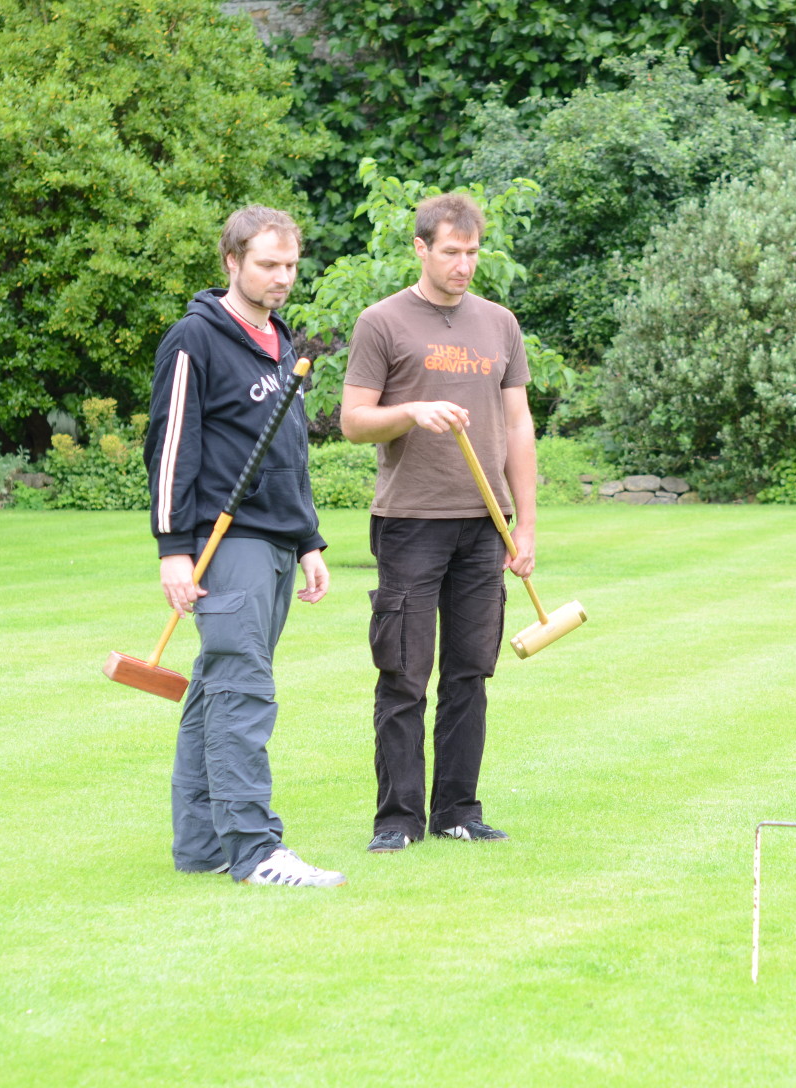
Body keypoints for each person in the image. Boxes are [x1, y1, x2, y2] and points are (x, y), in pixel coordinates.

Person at [142, 204, 344, 888]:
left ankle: (201, 843)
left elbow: (286, 448)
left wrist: (309, 537)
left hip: (276, 539)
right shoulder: (194, 338)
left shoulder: (282, 339)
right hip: (225, 541)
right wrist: (173, 547)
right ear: (231, 262)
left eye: (289, 265)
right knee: (242, 686)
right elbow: (171, 446)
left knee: (214, 686)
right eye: (267, 265)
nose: (281, 277)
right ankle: (256, 852)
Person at [340, 192, 538, 854]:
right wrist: (411, 411)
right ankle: (397, 818)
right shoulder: (382, 322)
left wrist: (525, 525)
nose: (463, 265)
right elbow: (352, 420)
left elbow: (517, 424)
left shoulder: (499, 324)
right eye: (451, 252)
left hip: (484, 526)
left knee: (468, 671)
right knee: (402, 671)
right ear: (421, 249)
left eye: (473, 253)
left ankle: (457, 808)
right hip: (409, 521)